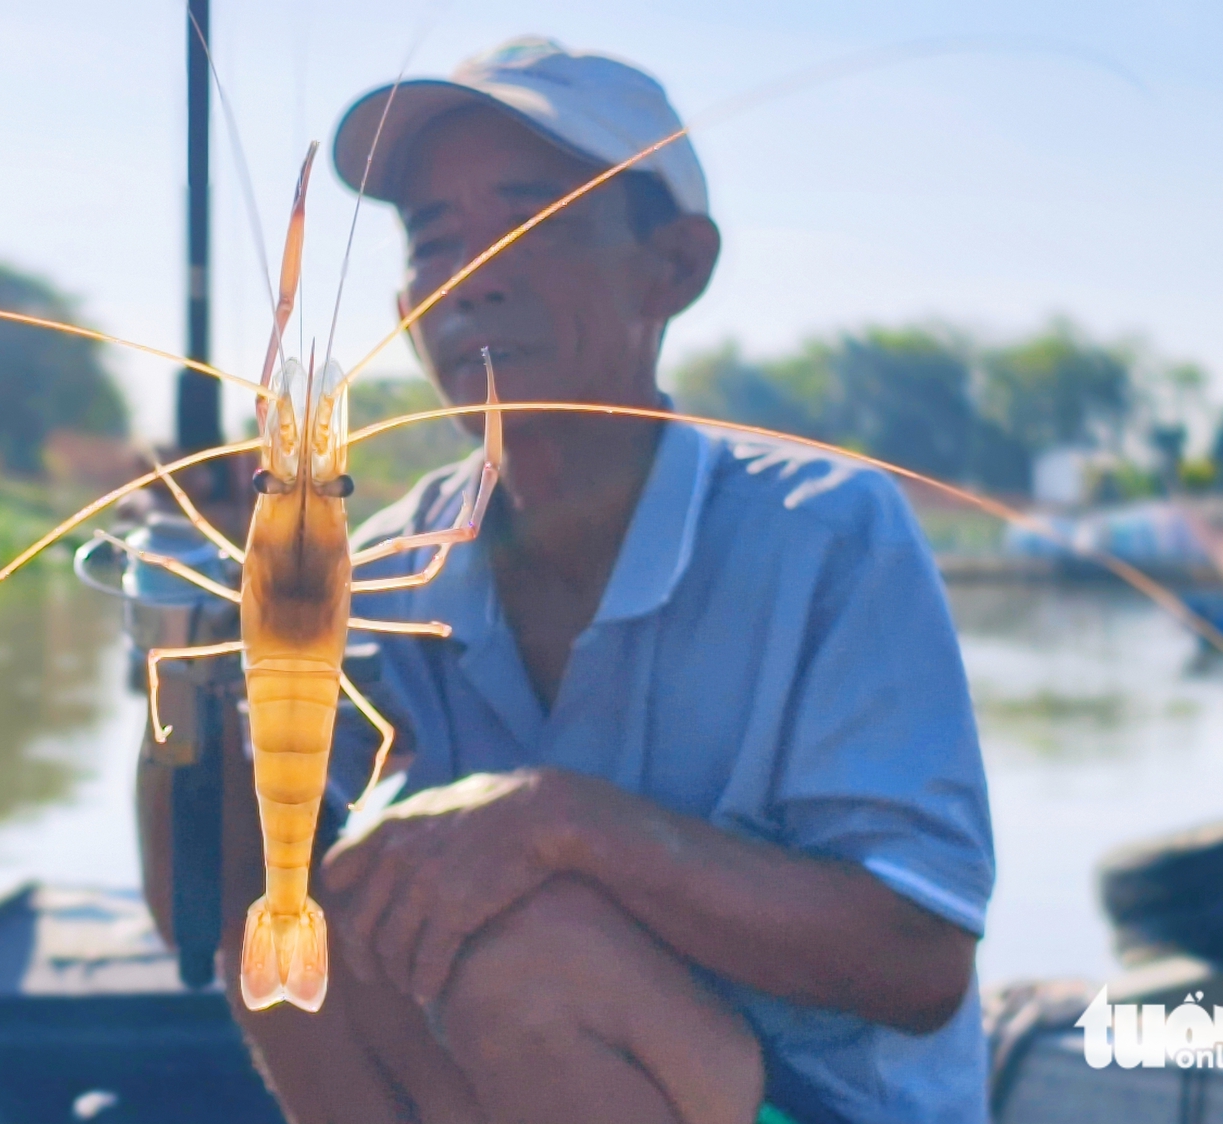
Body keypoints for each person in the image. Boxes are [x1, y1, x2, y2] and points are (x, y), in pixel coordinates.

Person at [140, 37, 994, 1124]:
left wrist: (562, 824)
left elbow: (918, 962)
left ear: (672, 267)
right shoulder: (383, 570)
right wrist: (186, 637)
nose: (469, 276)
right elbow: (199, 913)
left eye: (528, 221)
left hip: (813, 1103)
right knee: (303, 927)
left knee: (531, 954)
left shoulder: (827, 530)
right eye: (432, 239)